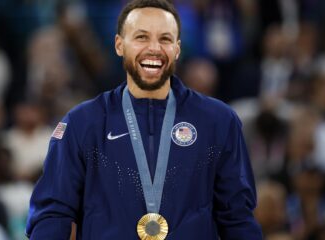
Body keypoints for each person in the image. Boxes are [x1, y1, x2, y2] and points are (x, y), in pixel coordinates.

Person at [26, 0, 262, 239]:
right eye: (141, 37)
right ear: (120, 45)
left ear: (178, 48)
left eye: (165, 39)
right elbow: (53, 213)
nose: (154, 48)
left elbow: (237, 217)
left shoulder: (218, 121)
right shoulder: (83, 123)